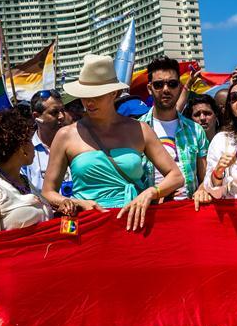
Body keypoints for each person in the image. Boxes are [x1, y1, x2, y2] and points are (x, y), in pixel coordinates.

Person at [42, 54, 183, 231]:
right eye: (84, 96)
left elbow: (176, 176)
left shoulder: (140, 129)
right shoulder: (65, 135)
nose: (89, 102)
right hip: (84, 226)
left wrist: (151, 192)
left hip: (133, 224)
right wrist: (73, 202)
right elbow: (47, 192)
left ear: (114, 93)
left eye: (96, 95)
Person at [139, 56, 209, 201]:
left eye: (172, 84)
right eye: (158, 85)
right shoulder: (136, 130)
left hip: (188, 211)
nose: (166, 89)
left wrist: (202, 190)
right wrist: (157, 195)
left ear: (179, 87)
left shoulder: (195, 130)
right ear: (150, 88)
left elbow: (205, 178)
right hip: (151, 214)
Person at [21, 89, 68, 192]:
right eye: (54, 112)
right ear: (36, 116)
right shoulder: (25, 152)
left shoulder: (76, 144)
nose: (61, 116)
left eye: (63, 110)